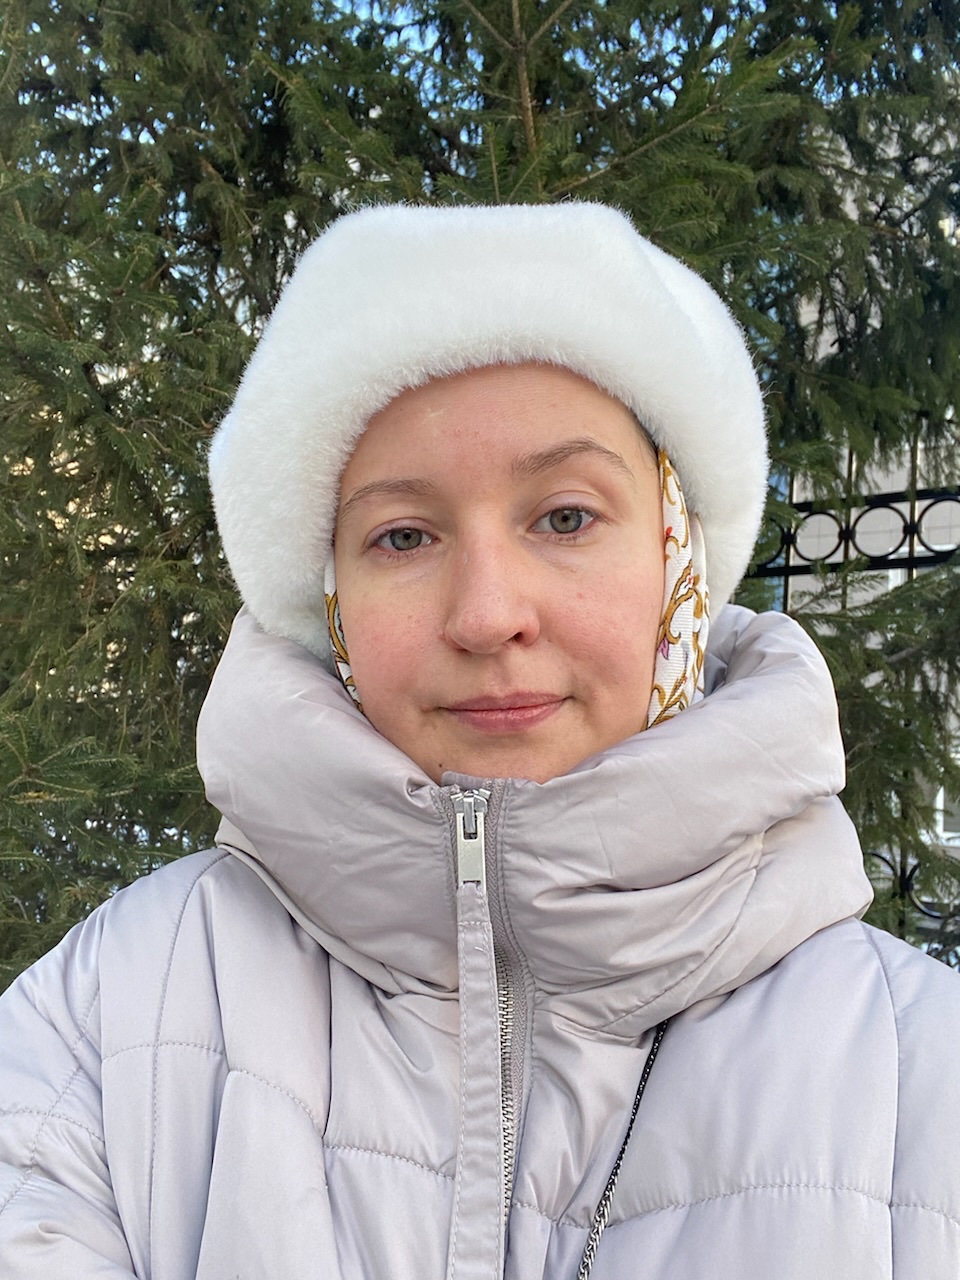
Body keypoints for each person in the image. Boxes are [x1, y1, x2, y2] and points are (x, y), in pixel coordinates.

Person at [1, 202, 958, 1280]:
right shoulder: (110, 1019)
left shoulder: (924, 1079)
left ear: (676, 562)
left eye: (566, 517)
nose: (488, 614)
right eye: (403, 535)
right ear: (332, 602)